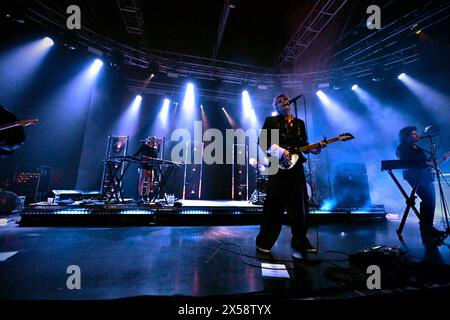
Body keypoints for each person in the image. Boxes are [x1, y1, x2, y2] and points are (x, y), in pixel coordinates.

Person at [256, 94, 326, 254]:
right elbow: (262, 142)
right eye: (279, 102)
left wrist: (314, 148)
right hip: (278, 166)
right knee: (274, 204)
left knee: (299, 204)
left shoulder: (300, 123)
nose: (284, 103)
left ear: (290, 104)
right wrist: (281, 151)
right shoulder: (271, 121)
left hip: (296, 167)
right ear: (276, 107)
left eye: (285, 100)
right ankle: (265, 241)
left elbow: (304, 145)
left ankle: (300, 240)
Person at [396, 126, 448, 240]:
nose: (418, 135)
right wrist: (431, 164)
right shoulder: (402, 147)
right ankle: (426, 228)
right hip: (415, 176)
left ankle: (428, 227)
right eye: (414, 134)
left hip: (424, 176)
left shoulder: (416, 147)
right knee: (428, 200)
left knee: (431, 201)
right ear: (406, 136)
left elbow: (427, 163)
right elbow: (414, 162)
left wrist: (441, 160)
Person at [133, 137, 159, 201]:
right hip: (144, 164)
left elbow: (155, 157)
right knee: (142, 179)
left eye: (153, 140)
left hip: (151, 165)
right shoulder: (144, 146)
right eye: (151, 139)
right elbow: (137, 153)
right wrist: (131, 157)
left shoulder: (154, 149)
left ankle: (146, 195)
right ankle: (140, 195)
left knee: (150, 181)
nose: (152, 141)